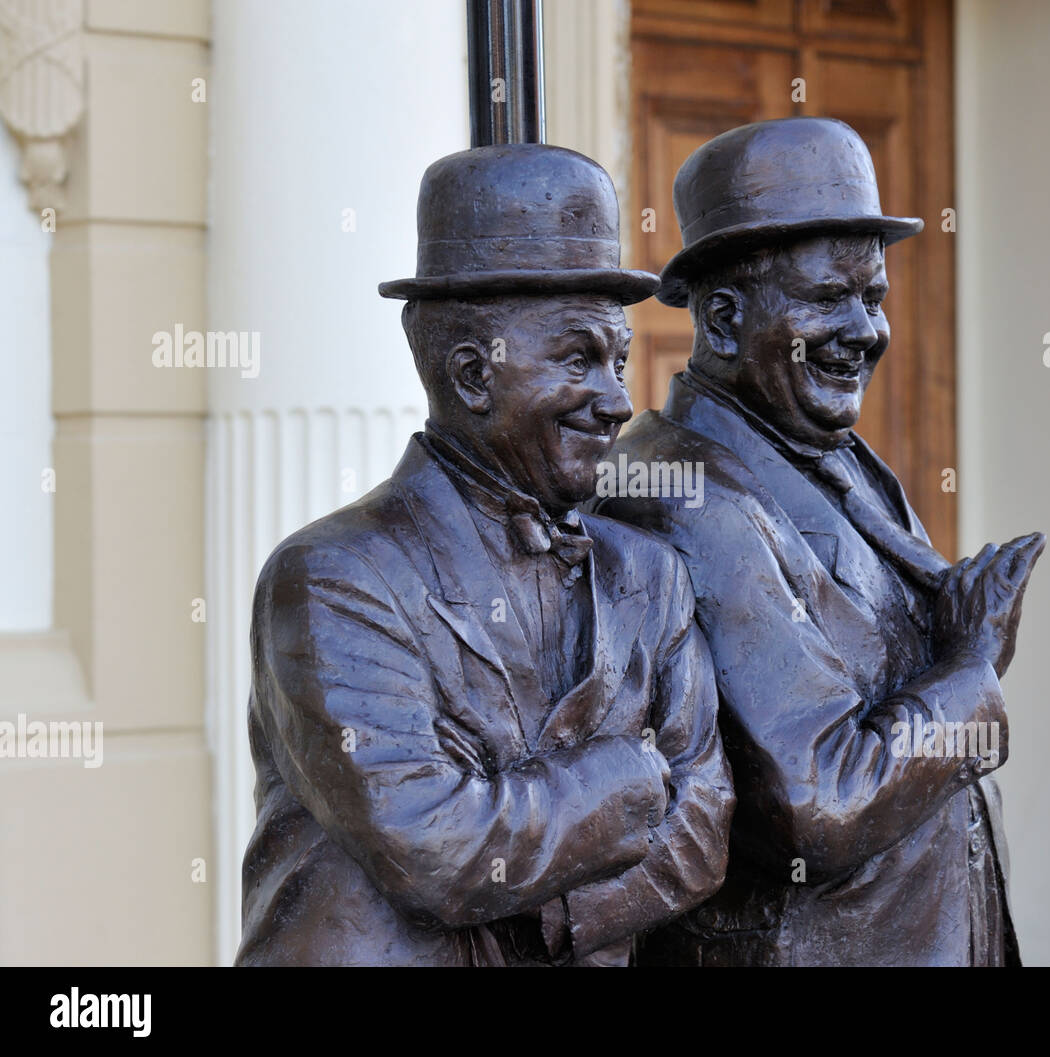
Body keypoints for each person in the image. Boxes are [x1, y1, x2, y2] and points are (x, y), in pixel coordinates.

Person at [236, 143, 734, 966]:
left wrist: (546, 909)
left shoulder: (650, 573)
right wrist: (628, 777)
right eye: (579, 359)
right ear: (473, 375)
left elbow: (704, 824)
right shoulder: (331, 578)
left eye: (617, 357)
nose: (618, 400)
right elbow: (429, 840)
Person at [597, 117, 1044, 966]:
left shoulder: (830, 450)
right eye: (828, 299)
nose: (867, 330)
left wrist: (940, 630)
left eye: (873, 296)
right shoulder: (681, 495)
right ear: (723, 320)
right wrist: (972, 665)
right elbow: (815, 797)